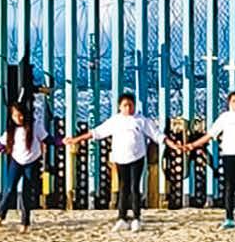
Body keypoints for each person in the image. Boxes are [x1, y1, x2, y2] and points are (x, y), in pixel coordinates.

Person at [65, 91, 165, 232]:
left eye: (130, 105)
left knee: (135, 187)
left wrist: (174, 145)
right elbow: (96, 132)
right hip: (120, 158)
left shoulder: (141, 120)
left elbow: (157, 135)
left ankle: (136, 218)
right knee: (123, 187)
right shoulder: (115, 121)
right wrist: (76, 139)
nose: (128, 108)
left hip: (137, 157)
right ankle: (122, 218)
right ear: (120, 106)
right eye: (125, 105)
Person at [176, 91, 235, 229]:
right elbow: (210, 135)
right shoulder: (225, 117)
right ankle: (229, 217)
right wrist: (192, 145)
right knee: (229, 186)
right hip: (228, 155)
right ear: (229, 103)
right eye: (234, 101)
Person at [0, 99, 48, 232]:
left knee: (26, 192)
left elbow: (48, 139)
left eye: (20, 115)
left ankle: (25, 222)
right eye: (15, 116)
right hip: (16, 161)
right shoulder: (11, 131)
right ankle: (0, 217)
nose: (18, 118)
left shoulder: (35, 126)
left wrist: (63, 141)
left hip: (31, 162)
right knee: (9, 189)